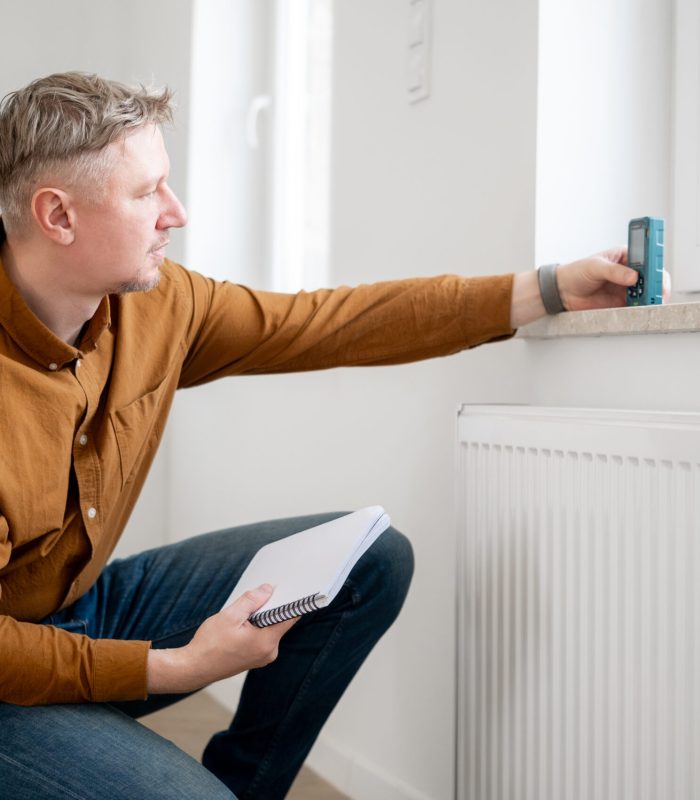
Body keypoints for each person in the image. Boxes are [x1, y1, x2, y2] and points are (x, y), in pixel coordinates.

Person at [0, 72, 657, 800]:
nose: (175, 213)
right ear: (58, 216)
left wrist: (549, 287)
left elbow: (333, 321)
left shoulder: (159, 309)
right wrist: (174, 667)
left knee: (366, 561)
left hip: (82, 609)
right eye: (146, 192)